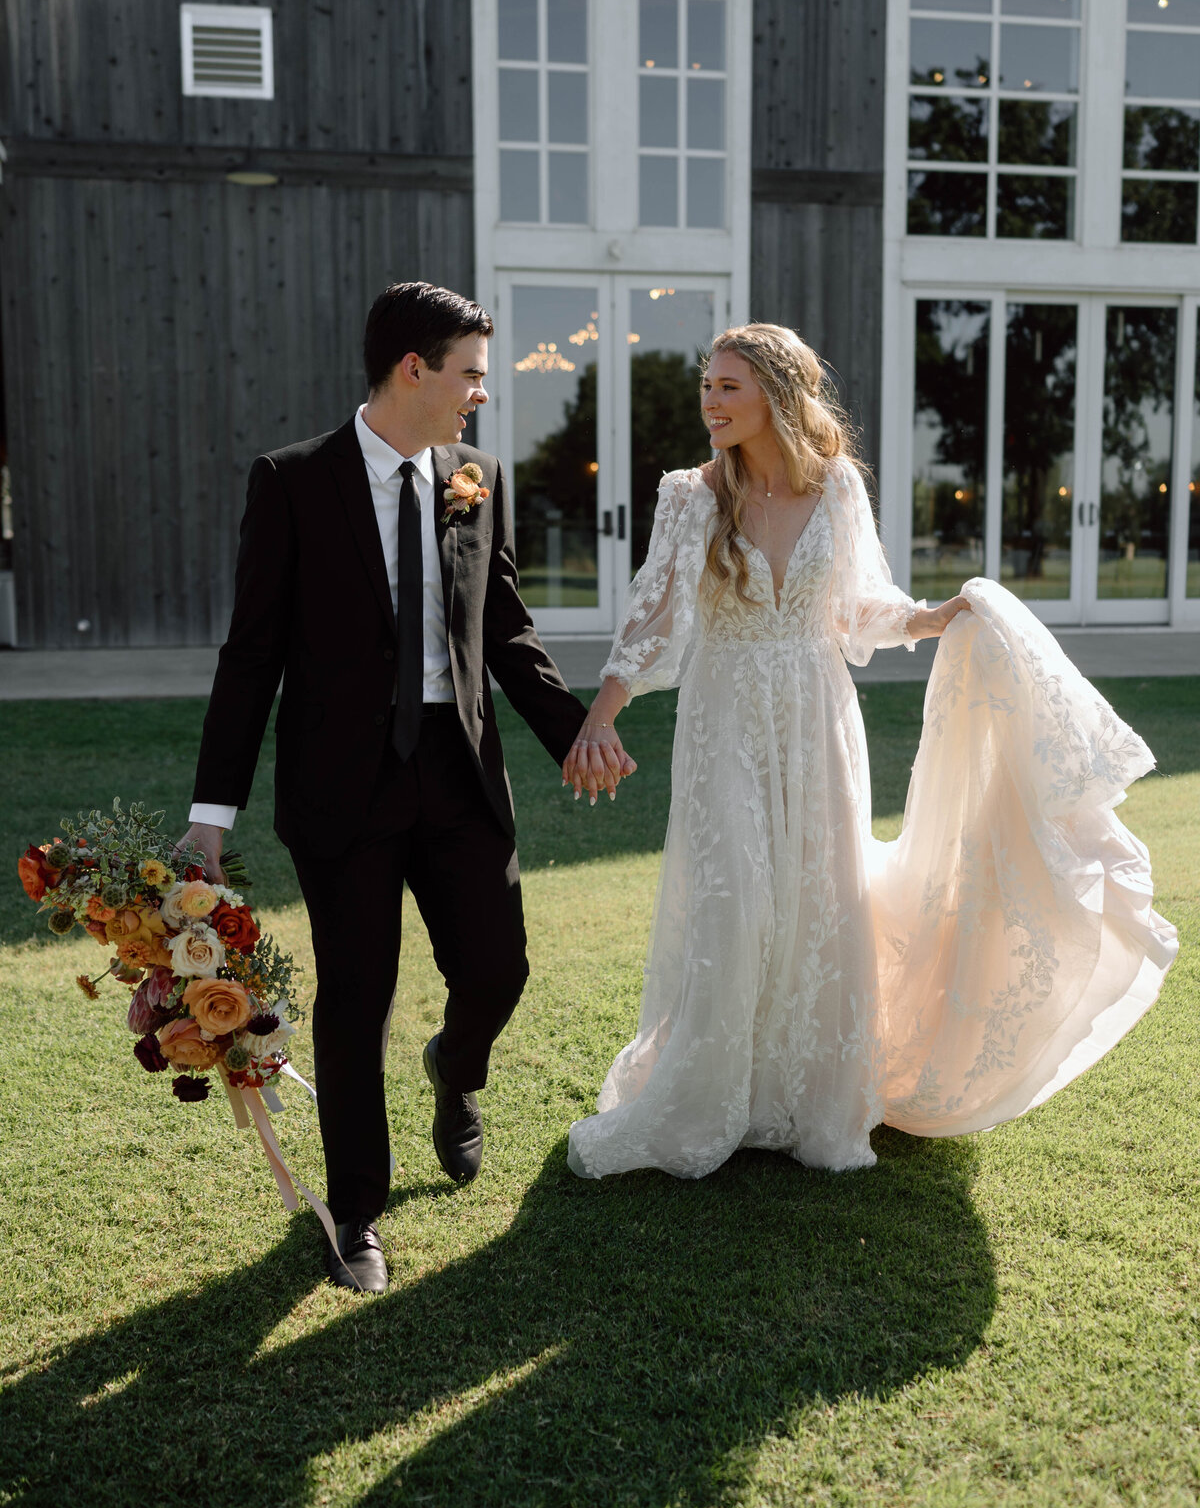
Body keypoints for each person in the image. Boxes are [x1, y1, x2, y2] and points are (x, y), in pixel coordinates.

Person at [563, 323, 1177, 1181]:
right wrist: (603, 714)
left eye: (727, 386)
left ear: (779, 394)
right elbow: (652, 617)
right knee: (735, 902)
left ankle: (813, 1098)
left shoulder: (840, 487)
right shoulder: (687, 495)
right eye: (706, 385)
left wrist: (936, 617)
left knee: (820, 903)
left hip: (817, 720)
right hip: (726, 720)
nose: (709, 400)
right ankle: (708, 1098)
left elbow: (861, 607)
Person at [178, 282, 634, 1292]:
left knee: (498, 967)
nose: (481, 392)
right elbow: (251, 656)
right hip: (341, 783)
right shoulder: (293, 481)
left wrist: (578, 732)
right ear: (412, 369)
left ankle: (456, 1070)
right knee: (355, 1002)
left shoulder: (477, 476)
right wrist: (213, 817)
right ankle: (356, 1211)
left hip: (457, 769)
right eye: (471, 372)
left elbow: (504, 628)